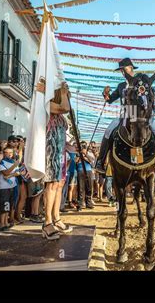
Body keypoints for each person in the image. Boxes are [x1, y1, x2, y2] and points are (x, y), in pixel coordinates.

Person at [94, 58, 155, 173]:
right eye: (121, 70)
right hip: (126, 114)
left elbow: (152, 95)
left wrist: (152, 97)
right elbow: (110, 100)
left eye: (124, 69)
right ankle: (100, 161)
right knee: (108, 131)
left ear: (130, 68)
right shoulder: (121, 86)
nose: (122, 72)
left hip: (142, 115)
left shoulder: (141, 82)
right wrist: (105, 94)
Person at [36, 80, 73, 240]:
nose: (68, 93)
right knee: (51, 185)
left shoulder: (60, 116)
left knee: (59, 184)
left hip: (61, 153)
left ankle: (56, 217)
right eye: (65, 92)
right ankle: (47, 222)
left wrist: (70, 149)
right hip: (50, 152)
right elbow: (65, 107)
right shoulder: (48, 106)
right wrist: (63, 92)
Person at [76, 141, 95, 209]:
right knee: (81, 188)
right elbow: (76, 161)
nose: (83, 147)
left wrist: (86, 155)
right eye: (82, 146)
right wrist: (80, 156)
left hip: (88, 171)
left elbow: (92, 162)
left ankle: (89, 203)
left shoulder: (90, 153)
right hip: (80, 171)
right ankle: (81, 203)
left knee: (89, 187)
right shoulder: (77, 153)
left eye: (84, 146)